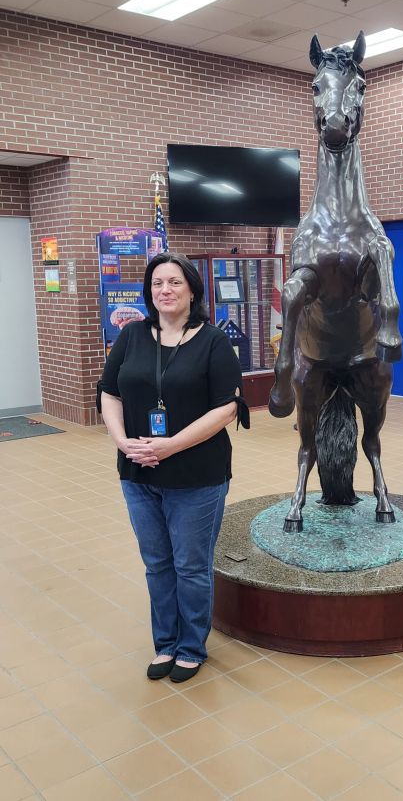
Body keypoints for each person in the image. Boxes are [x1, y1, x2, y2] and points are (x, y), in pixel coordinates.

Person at [100, 252, 249, 683]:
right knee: (157, 564)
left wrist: (170, 446)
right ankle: (165, 643)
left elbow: (227, 409)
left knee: (190, 565)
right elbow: (109, 392)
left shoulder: (213, 341)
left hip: (196, 476)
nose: (165, 290)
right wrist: (121, 440)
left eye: (174, 282)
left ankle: (190, 647)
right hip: (138, 472)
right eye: (157, 283)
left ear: (192, 291)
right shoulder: (132, 336)